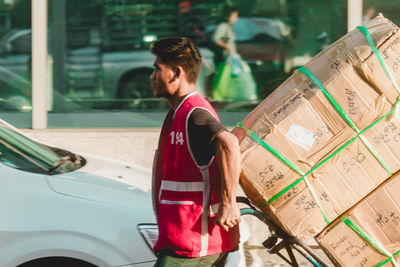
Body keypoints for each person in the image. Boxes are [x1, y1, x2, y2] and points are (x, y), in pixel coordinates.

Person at [150, 37, 241, 266]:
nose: (151, 77)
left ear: (176, 73)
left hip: (192, 242)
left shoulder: (194, 114)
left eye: (157, 69)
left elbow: (228, 143)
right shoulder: (180, 113)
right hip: (190, 240)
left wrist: (229, 204)